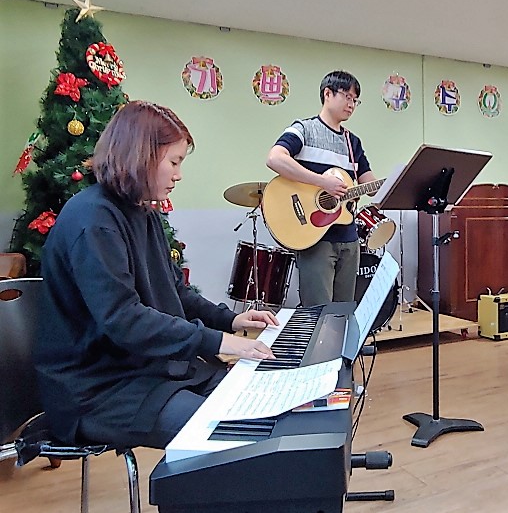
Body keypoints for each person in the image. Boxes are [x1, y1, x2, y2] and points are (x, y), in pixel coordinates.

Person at [34, 101, 279, 449]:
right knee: (226, 433)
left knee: (254, 405)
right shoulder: (93, 220)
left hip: (146, 370)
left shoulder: (142, 213)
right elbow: (124, 320)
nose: (179, 175)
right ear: (142, 156)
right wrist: (221, 342)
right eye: (174, 162)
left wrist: (231, 320)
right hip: (97, 389)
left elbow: (174, 290)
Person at [266, 70, 376, 306]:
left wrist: (400, 181)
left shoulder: (353, 142)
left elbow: (371, 186)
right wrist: (322, 182)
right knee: (317, 313)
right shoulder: (304, 129)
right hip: (314, 238)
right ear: (328, 94)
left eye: (355, 100)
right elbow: (275, 158)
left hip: (349, 238)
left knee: (343, 311)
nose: (352, 104)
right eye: (347, 96)